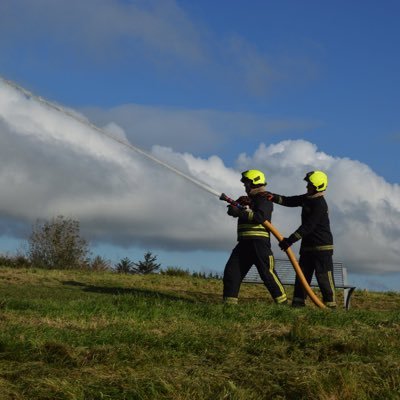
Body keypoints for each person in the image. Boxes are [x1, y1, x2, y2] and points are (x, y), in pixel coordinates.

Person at [267, 170, 336, 308]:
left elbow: (308, 226)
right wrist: (271, 196)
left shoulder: (320, 204)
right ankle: (298, 305)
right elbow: (289, 200)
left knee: (324, 278)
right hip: (307, 248)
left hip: (322, 248)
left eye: (309, 185)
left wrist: (290, 240)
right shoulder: (307, 198)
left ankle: (330, 307)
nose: (306, 187)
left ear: (317, 187)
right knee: (302, 277)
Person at [223, 169, 287, 305]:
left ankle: (283, 304)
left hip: (259, 243)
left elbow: (261, 217)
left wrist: (240, 213)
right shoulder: (245, 200)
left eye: (246, 184)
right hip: (244, 244)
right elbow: (234, 208)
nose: (244, 187)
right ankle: (228, 307)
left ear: (254, 183)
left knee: (267, 275)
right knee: (231, 273)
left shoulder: (265, 198)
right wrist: (232, 209)